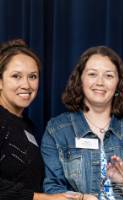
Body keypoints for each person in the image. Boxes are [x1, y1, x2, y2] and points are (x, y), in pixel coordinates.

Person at [41, 45, 123, 200]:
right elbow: (52, 188)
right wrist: (82, 198)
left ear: (118, 83)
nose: (100, 82)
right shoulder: (57, 130)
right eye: (92, 74)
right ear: (80, 80)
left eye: (108, 76)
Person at [0, 39, 82, 200]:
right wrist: (46, 198)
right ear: (0, 81)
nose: (26, 84)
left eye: (32, 76)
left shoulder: (28, 126)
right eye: (16, 76)